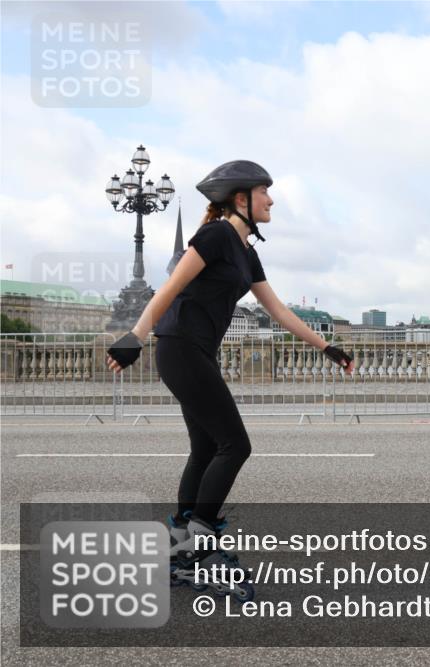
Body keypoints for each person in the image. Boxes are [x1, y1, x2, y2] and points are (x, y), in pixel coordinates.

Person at [106, 160, 354, 595]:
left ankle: (182, 547)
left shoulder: (246, 251)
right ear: (241, 198)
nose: (272, 199)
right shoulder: (216, 234)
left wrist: (326, 347)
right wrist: (135, 337)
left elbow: (278, 311)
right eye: (265, 192)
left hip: (198, 352)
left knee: (205, 448)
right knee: (235, 444)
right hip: (179, 347)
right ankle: (197, 551)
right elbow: (169, 287)